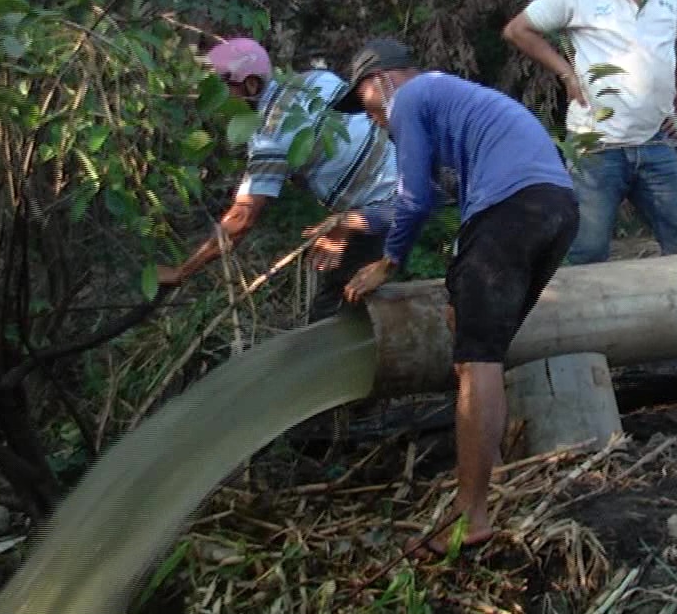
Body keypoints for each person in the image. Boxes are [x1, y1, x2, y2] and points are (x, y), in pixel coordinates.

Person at [329, 39, 579, 556]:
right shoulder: (452, 98)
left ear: (383, 81)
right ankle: (490, 473)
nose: (371, 118)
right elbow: (438, 195)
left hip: (510, 211)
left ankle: (471, 514)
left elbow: (414, 199)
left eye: (365, 103)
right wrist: (358, 222)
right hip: (554, 209)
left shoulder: (413, 98)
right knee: (475, 345)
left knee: (477, 361)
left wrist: (388, 261)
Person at [502, 0, 677, 265]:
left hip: (656, 141)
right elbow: (519, 30)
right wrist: (566, 73)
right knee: (585, 252)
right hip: (595, 146)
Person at [155, 38, 398, 322]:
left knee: (334, 316)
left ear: (251, 86)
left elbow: (241, 220)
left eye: (224, 89)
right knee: (353, 300)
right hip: (410, 171)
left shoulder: (269, 137)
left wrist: (183, 271)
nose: (219, 102)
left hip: (379, 207)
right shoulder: (317, 79)